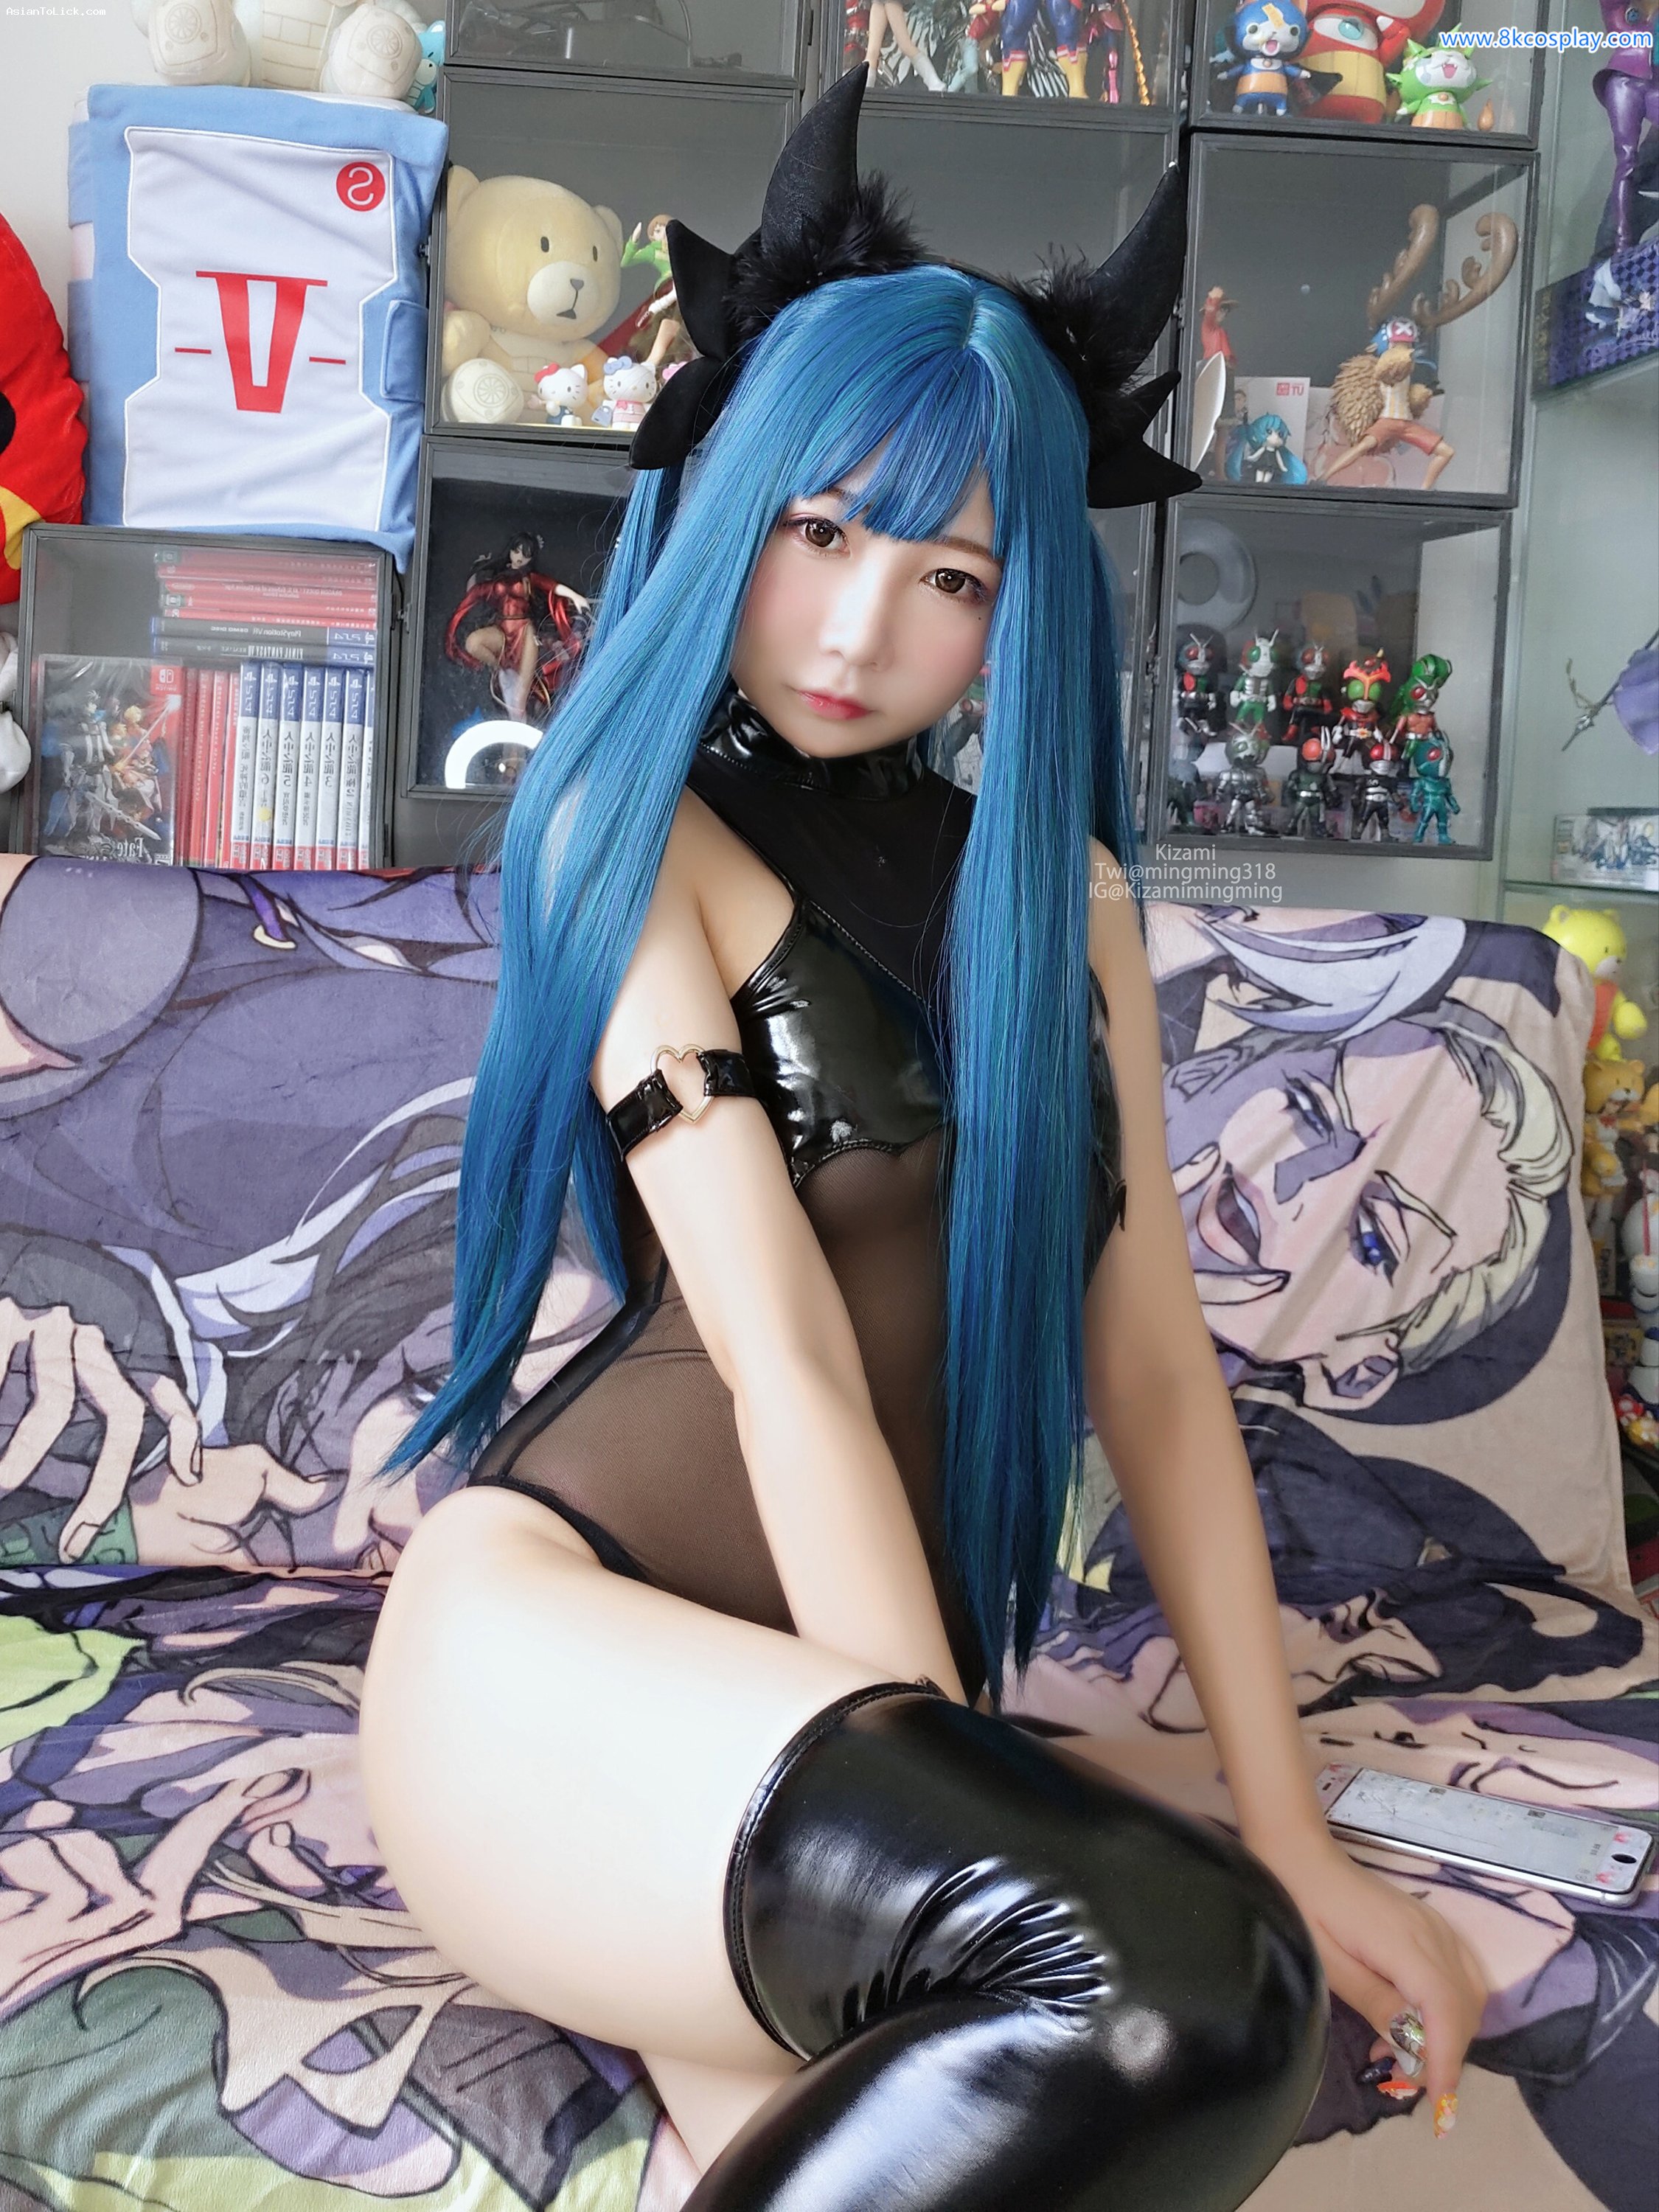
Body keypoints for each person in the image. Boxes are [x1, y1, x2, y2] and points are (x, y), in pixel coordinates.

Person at [357, 69, 1487, 2208]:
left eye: (949, 573)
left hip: (822, 1726)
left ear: (1019, 606)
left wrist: (1293, 1827)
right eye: (817, 535)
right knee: (1156, 1988)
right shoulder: (630, 830)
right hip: (556, 1666)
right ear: (732, 509)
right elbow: (782, 1361)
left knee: (1193, 1981)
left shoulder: (1071, 901)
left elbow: (1153, 1375)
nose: (863, 628)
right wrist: (954, 1786)